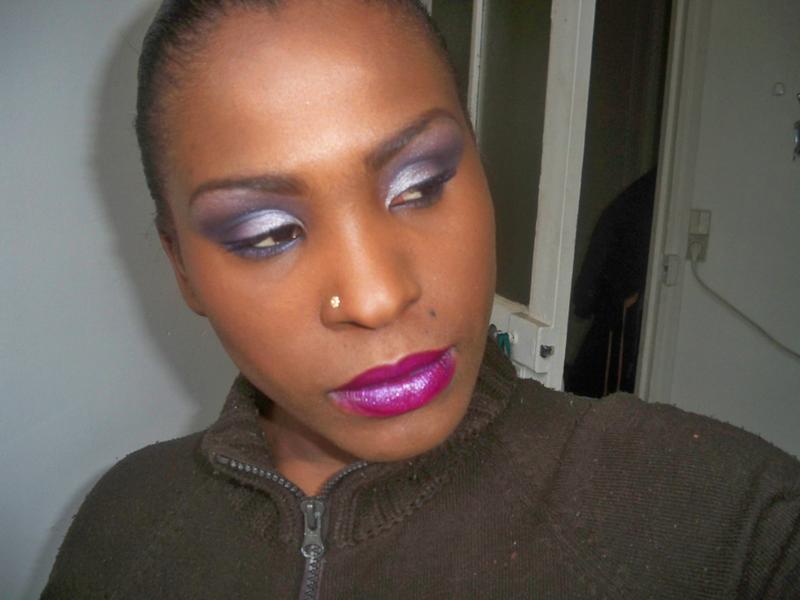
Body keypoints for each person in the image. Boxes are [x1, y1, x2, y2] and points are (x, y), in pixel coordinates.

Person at [42, 1, 799, 598]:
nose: (376, 298)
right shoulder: (123, 526)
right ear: (181, 267)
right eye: (267, 233)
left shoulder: (720, 520)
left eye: (420, 185)